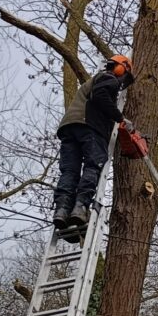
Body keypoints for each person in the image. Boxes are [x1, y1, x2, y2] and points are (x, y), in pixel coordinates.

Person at [52, 54, 135, 229]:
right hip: (89, 126)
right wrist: (120, 118)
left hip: (69, 127)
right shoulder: (108, 78)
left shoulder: (93, 80)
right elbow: (101, 96)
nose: (122, 81)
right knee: (93, 164)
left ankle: (62, 209)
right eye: (124, 75)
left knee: (69, 171)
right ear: (121, 68)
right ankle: (80, 206)